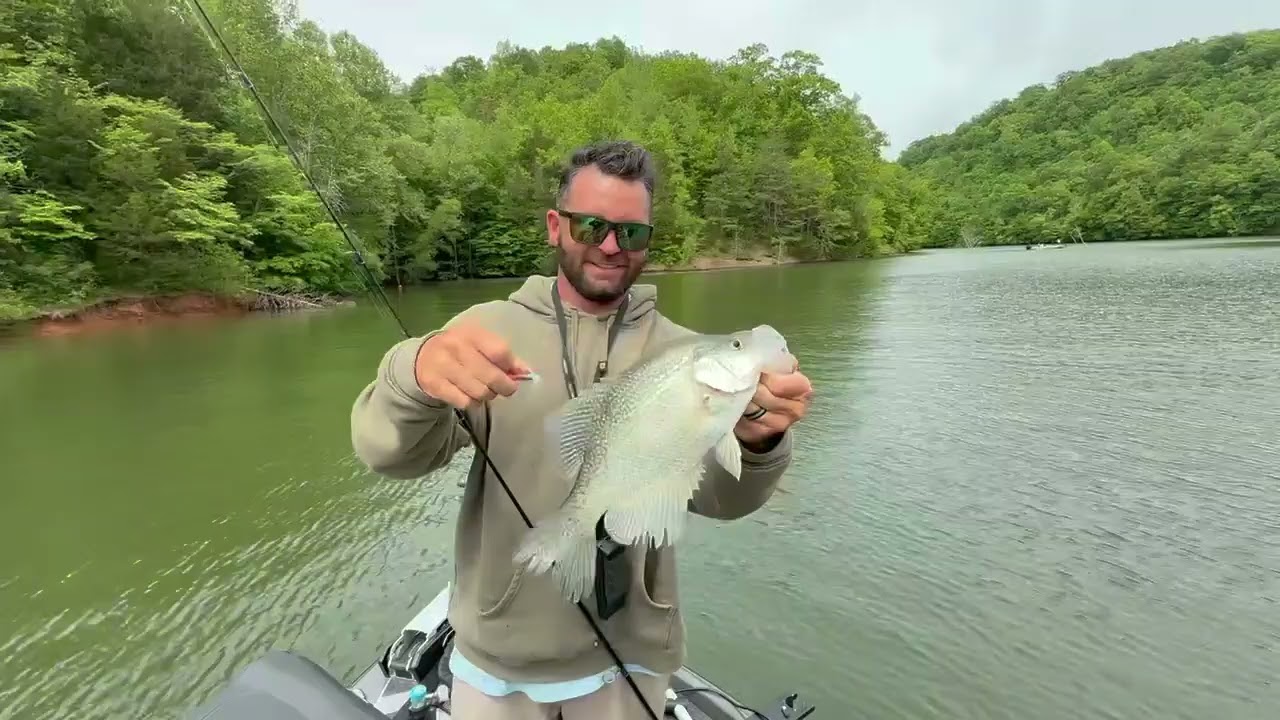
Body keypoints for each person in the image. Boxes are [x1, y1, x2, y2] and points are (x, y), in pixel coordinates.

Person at [350, 139, 813, 720]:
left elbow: (724, 499)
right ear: (555, 226)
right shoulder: (484, 329)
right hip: (498, 660)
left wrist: (761, 439)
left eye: (632, 233)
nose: (612, 247)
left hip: (633, 658)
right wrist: (411, 370)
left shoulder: (682, 349)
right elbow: (389, 454)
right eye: (592, 226)